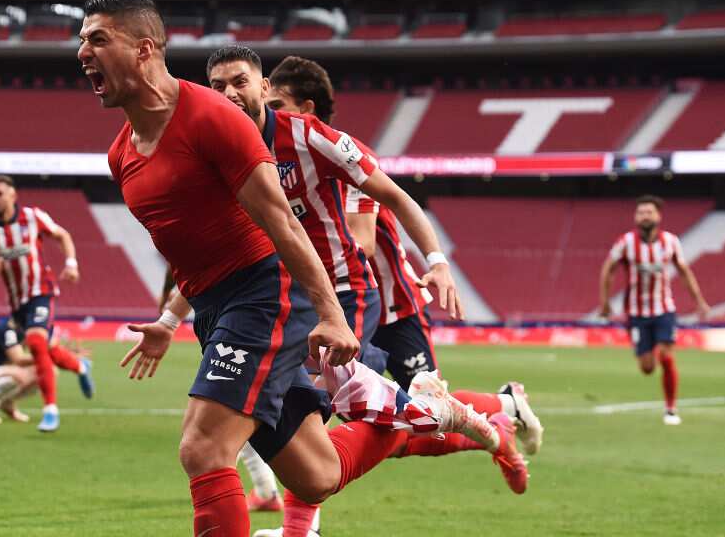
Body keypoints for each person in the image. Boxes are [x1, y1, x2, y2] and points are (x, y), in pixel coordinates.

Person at [80, 0, 502, 537]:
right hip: (216, 311)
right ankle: (420, 409)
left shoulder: (214, 120)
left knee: (204, 447)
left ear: (144, 49)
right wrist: (169, 319)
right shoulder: (121, 154)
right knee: (315, 474)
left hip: (264, 296)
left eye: (97, 39)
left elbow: (281, 222)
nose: (82, 52)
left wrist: (331, 313)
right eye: (82, 40)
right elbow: (190, 247)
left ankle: (413, 404)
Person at [206, 47, 528, 536]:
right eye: (217, 86)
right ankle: (487, 420)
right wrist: (171, 317)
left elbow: (388, 207)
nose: (229, 94)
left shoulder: (313, 139)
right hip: (285, 301)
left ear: (264, 88)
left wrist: (437, 262)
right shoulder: (219, 151)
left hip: (345, 295)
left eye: (240, 82)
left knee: (314, 421)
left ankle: (301, 530)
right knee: (361, 428)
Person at [263, 54, 543, 456]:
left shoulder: (343, 158)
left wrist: (291, 244)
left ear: (306, 109)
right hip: (335, 298)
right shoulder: (276, 159)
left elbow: (364, 242)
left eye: (277, 105)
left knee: (395, 412)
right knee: (386, 420)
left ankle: (499, 407)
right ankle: (501, 410)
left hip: (389, 303)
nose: (267, 114)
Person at [0, 174, 94, 433]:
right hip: (17, 303)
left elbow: (62, 235)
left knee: (36, 343)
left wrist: (71, 264)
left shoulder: (32, 217)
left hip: (41, 291)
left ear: (12, 195)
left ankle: (50, 411)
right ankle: (81, 366)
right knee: (47, 348)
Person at [599, 195, 710, 425]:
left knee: (667, 355)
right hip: (637, 313)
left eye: (649, 212)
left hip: (664, 309)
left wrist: (699, 301)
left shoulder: (670, 241)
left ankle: (670, 409)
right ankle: (651, 352)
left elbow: (684, 271)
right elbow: (608, 269)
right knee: (648, 367)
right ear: (635, 217)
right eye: (641, 212)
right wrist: (605, 302)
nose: (645, 216)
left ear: (658, 216)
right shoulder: (626, 242)